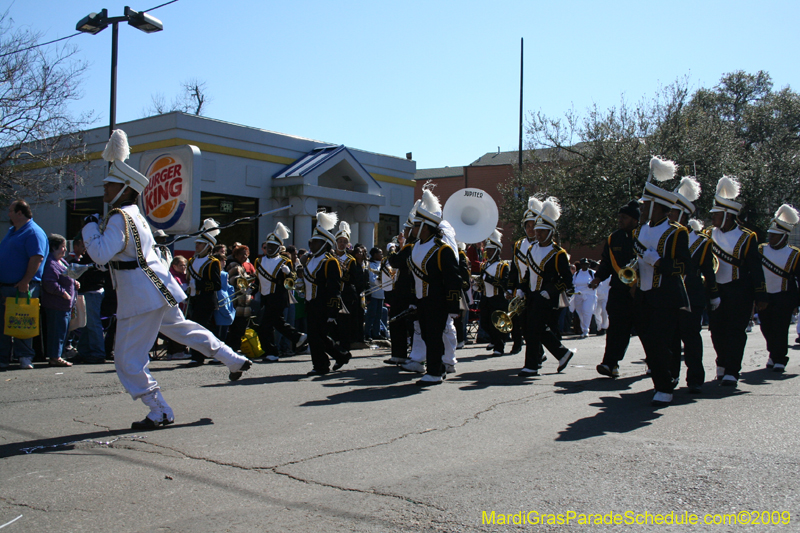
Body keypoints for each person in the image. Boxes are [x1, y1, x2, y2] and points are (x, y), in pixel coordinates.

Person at [82, 129, 251, 429]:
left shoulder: (120, 216)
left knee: (126, 359)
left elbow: (100, 254)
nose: (105, 189)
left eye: (110, 185)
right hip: (157, 287)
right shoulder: (134, 214)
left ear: (124, 188)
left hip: (139, 294)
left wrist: (88, 227)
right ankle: (232, 359)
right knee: (184, 330)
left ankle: (159, 410)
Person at [632, 157, 691, 406]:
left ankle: (665, 385)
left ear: (658, 205)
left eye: (646, 204)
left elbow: (681, 266)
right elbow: (638, 258)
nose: (642, 207)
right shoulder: (641, 230)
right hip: (644, 294)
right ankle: (663, 379)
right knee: (648, 341)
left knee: (660, 341)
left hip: (665, 295)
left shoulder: (677, 232)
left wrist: (656, 261)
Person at [708, 175, 767, 387]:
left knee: (735, 332)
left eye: (716, 214)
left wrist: (760, 294)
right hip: (715, 290)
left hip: (739, 291)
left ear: (727, 215)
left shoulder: (747, 237)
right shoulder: (708, 234)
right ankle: (722, 362)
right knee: (716, 331)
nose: (712, 217)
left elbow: (755, 267)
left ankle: (732, 370)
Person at [668, 178, 718, 392]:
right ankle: (670, 377)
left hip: (692, 295)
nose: (668, 215)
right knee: (670, 340)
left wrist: (713, 294)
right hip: (669, 295)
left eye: (672, 212)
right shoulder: (666, 236)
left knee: (691, 339)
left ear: (682, 215)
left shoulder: (702, 241)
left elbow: (708, 270)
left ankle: (695, 378)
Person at [407, 188, 461, 385]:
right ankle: (437, 368)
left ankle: (435, 373)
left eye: (416, 226)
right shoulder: (417, 247)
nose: (412, 229)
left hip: (438, 301)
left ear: (425, 227)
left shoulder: (442, 249)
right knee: (428, 336)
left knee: (434, 336)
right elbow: (415, 278)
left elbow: (453, 278)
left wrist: (454, 306)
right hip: (422, 301)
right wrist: (414, 301)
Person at [519, 197, 575, 377]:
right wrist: (521, 288)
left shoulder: (558, 253)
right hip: (532, 295)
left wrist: (549, 290)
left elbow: (566, 279)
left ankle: (532, 366)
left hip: (547, 298)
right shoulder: (531, 249)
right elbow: (528, 273)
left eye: (542, 231)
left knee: (534, 329)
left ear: (550, 232)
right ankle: (562, 353)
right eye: (537, 230)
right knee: (534, 328)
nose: (538, 234)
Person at [589, 201, 641, 378]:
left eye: (624, 217)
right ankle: (610, 363)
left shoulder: (644, 235)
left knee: (647, 328)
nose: (620, 220)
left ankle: (654, 362)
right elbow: (606, 262)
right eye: (619, 217)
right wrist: (598, 277)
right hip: (619, 290)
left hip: (641, 290)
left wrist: (636, 283)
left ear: (635, 219)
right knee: (616, 329)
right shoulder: (613, 238)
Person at [298, 211, 350, 375]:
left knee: (316, 337)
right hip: (310, 303)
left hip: (323, 305)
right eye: (311, 241)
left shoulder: (330, 262)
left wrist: (332, 312)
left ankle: (321, 366)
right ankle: (341, 355)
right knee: (317, 336)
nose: (311, 244)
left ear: (324, 243)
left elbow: (335, 288)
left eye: (315, 242)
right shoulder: (310, 259)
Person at [0, 200, 49, 370]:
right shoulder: (12, 231)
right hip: (6, 286)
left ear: (20, 213)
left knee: (23, 320)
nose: (9, 214)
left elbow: (37, 258)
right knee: (4, 323)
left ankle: (25, 356)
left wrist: (25, 281)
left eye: (11, 210)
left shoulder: (33, 232)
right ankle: (3, 357)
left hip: (22, 286)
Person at [254, 222, 307, 362]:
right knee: (276, 323)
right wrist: (252, 288)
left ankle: (272, 351)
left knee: (265, 326)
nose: (269, 248)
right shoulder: (258, 261)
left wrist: (289, 273)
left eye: (272, 246)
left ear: (278, 247)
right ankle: (298, 337)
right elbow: (258, 280)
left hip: (278, 297)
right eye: (267, 246)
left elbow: (292, 281)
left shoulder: (284, 261)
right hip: (266, 297)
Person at [758, 205, 800, 372]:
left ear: (784, 237)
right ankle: (773, 353)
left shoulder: (795, 254)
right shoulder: (761, 249)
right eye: (770, 234)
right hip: (765, 296)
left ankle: (780, 358)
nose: (771, 237)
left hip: (784, 297)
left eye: (775, 235)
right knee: (766, 327)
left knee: (780, 328)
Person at [186, 219, 222, 366]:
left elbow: (216, 285)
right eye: (196, 243)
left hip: (206, 300)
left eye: (200, 244)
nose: (196, 246)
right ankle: (211, 353)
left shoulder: (213, 262)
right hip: (194, 300)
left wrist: (198, 285)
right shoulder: (191, 261)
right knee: (203, 328)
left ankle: (199, 356)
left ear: (208, 246)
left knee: (200, 328)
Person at [509, 197, 542, 357]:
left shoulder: (543, 244)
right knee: (521, 322)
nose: (530, 229)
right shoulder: (518, 245)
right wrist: (511, 287)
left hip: (539, 289)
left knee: (537, 324)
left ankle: (542, 352)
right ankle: (528, 349)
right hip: (521, 289)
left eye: (534, 225)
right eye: (528, 226)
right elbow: (515, 268)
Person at [70, 235, 109, 364]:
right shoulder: (94, 255)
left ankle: (97, 353)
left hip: (93, 291)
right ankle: (84, 351)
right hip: (89, 291)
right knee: (86, 324)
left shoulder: (97, 255)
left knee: (92, 323)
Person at [41, 234, 78, 367]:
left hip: (64, 306)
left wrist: (74, 282)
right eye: (63, 247)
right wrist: (63, 293)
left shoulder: (61, 261)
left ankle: (57, 355)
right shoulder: (50, 263)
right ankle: (55, 357)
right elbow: (49, 283)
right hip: (56, 304)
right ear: (54, 247)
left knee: (62, 331)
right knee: (57, 332)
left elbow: (68, 275)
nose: (65, 250)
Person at [479, 229, 510, 356]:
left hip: (498, 298)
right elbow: (482, 281)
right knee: (485, 323)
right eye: (488, 250)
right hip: (486, 297)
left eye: (491, 250)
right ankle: (493, 340)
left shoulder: (503, 266)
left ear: (497, 251)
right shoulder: (484, 266)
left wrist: (489, 279)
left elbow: (504, 283)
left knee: (497, 325)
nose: (488, 252)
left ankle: (499, 347)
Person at [364, 246, 386, 341]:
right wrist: (381, 279)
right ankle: (367, 333)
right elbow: (372, 279)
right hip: (373, 293)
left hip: (381, 293)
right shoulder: (370, 265)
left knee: (378, 315)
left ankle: (376, 333)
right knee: (371, 314)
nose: (381, 255)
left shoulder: (382, 264)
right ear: (374, 254)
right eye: (380, 253)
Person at [571, 258, 597, 338]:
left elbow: (599, 283)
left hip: (589, 295)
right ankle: (583, 328)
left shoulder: (592, 273)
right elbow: (573, 283)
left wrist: (592, 285)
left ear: (588, 265)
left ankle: (586, 330)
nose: (584, 266)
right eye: (583, 264)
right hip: (578, 295)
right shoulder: (577, 273)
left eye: (586, 264)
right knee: (580, 312)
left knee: (587, 311)